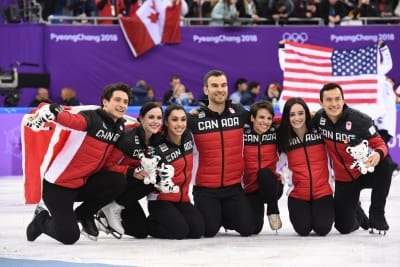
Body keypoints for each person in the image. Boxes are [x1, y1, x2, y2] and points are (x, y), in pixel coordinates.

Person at [25, 82, 132, 244]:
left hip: (82, 184)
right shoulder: (92, 118)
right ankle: (41, 219)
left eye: (125, 101)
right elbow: (71, 120)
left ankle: (84, 214)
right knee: (69, 237)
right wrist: (54, 112)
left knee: (117, 181)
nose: (122, 105)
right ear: (105, 102)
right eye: (117, 100)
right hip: (58, 187)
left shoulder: (118, 128)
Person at [313, 82, 393, 234]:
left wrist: (377, 154)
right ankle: (358, 213)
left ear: (343, 100)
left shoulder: (359, 120)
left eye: (337, 99)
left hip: (363, 171)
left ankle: (377, 213)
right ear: (321, 103)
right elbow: (293, 123)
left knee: (385, 164)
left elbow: (380, 144)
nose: (334, 104)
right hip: (344, 180)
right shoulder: (319, 119)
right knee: (343, 227)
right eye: (329, 100)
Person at [187, 69, 255, 237]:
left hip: (233, 187)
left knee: (248, 228)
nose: (220, 89)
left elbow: (264, 118)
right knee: (209, 230)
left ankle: (223, 214)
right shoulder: (194, 119)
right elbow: (168, 127)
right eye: (215, 86)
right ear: (206, 90)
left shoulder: (239, 113)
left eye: (223, 85)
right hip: (205, 189)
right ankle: (215, 215)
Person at [98, 102, 164, 238]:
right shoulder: (127, 139)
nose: (156, 121)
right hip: (114, 184)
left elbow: (180, 125)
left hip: (129, 190)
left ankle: (105, 216)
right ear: (141, 118)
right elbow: (107, 166)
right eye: (151, 117)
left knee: (140, 232)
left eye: (159, 118)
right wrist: (131, 172)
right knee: (151, 178)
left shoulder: (158, 139)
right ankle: (110, 206)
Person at [277, 97, 335, 236]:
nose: (297, 118)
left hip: (323, 191)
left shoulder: (320, 131)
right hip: (298, 194)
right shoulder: (283, 137)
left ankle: (354, 209)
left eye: (301, 113)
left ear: (307, 114)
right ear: (287, 117)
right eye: (292, 114)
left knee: (322, 229)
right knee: (303, 230)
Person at [147, 104, 205, 239]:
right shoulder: (155, 144)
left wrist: (197, 111)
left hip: (182, 198)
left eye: (183, 119)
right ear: (166, 122)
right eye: (174, 120)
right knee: (180, 232)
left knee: (197, 231)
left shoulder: (188, 136)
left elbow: (200, 116)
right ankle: (148, 225)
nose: (180, 124)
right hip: (160, 200)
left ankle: (172, 218)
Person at [243, 100, 283, 234]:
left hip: (272, 185)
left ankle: (273, 211)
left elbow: (290, 118)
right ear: (252, 118)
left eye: (269, 118)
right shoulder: (243, 132)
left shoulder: (276, 130)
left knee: (264, 173)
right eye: (261, 117)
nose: (265, 122)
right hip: (251, 188)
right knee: (254, 228)